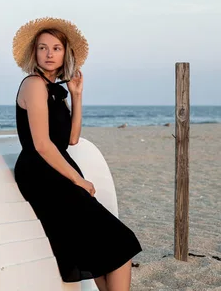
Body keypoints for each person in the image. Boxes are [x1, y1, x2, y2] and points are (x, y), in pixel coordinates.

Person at [12, 17, 142, 291]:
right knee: (121, 242)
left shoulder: (55, 90)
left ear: (65, 54)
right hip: (41, 172)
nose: (49, 54)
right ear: (34, 53)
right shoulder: (34, 84)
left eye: (56, 48)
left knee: (102, 249)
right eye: (43, 48)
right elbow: (42, 145)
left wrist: (77, 95)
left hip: (57, 168)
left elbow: (71, 139)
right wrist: (78, 180)